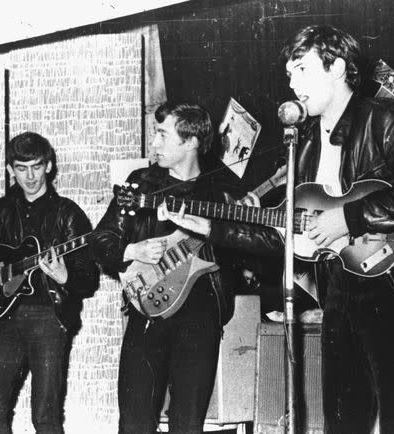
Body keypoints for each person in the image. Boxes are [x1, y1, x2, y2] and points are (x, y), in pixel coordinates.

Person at [164, 25, 394, 433]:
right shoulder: (301, 144)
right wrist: (214, 228)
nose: (291, 82)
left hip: (392, 283)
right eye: (288, 73)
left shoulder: (383, 119)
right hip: (335, 288)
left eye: (301, 69)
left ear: (337, 67)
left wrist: (350, 218)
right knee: (339, 419)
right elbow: (285, 234)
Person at [88, 102, 276, 434]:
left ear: (190, 141)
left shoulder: (222, 192)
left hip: (201, 317)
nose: (154, 144)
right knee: (134, 421)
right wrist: (134, 249)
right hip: (146, 311)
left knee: (187, 424)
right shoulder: (142, 183)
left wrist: (238, 228)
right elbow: (100, 240)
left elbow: (253, 260)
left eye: (162, 134)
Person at [0, 132, 100, 434]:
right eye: (22, 168)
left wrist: (65, 277)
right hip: (8, 315)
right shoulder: (3, 208)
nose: (30, 176)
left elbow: (89, 278)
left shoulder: (68, 213)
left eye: (37, 167)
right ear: (10, 170)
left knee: (45, 415)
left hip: (49, 316)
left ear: (49, 166)